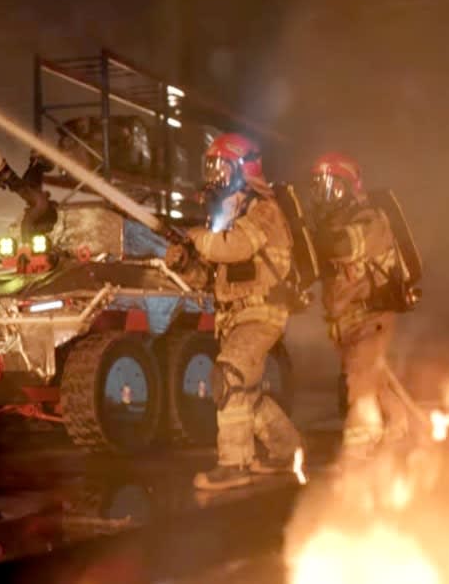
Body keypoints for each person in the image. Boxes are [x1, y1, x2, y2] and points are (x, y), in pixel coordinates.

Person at [166, 133, 303, 490]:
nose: (213, 176)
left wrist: (196, 238)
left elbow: (235, 247)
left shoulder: (265, 210)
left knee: (229, 375)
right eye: (210, 167)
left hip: (262, 313)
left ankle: (234, 464)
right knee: (246, 391)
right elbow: (208, 278)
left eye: (220, 167)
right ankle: (287, 450)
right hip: (234, 317)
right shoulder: (230, 217)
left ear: (244, 169)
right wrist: (185, 264)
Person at [308, 152, 412, 461]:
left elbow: (344, 246)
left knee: (361, 385)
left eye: (331, 187)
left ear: (348, 188)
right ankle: (402, 435)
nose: (323, 196)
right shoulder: (331, 227)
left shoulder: (370, 220)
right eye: (318, 187)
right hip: (346, 323)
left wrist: (309, 235)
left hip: (371, 318)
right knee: (377, 383)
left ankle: (357, 457)